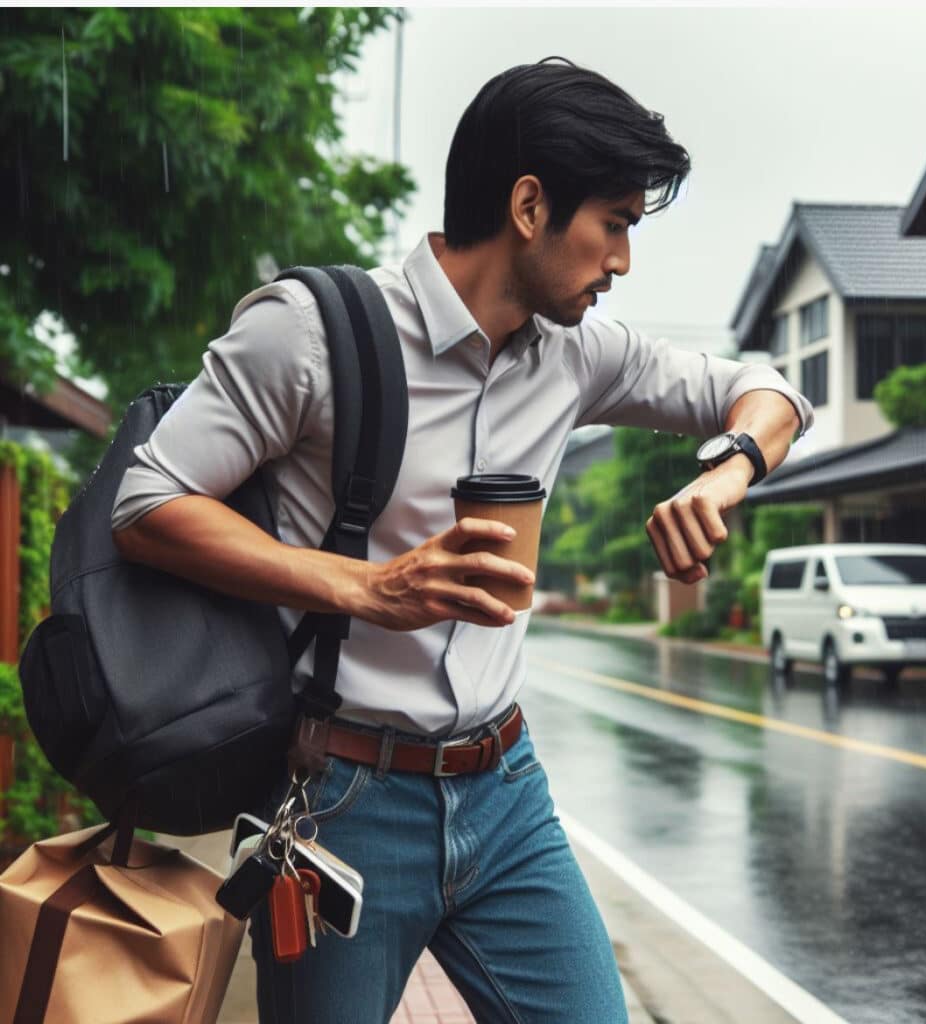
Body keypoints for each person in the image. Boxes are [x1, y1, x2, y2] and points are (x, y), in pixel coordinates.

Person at [112, 58, 813, 1024]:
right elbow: (148, 499)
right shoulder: (313, 332)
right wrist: (362, 588)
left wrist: (729, 466)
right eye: (614, 224)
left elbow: (772, 388)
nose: (623, 261)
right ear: (531, 206)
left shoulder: (577, 355)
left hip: (507, 794)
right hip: (339, 802)